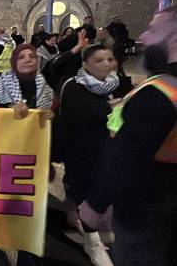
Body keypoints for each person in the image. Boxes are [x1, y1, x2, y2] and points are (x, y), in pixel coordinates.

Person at [78, 7, 177, 266]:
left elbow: (128, 156)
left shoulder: (161, 91)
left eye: (154, 30)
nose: (144, 36)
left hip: (147, 210)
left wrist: (95, 205)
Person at [52, 44, 131, 266]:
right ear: (86, 64)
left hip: (109, 149)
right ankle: (92, 241)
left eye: (110, 59)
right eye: (99, 60)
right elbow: (79, 115)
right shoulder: (73, 86)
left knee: (103, 192)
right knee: (84, 193)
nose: (106, 64)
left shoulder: (119, 84)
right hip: (81, 152)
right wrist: (113, 108)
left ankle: (94, 229)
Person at [0, 44, 54, 110]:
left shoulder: (45, 85)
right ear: (14, 62)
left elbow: (54, 110)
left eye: (32, 56)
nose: (28, 60)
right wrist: (9, 108)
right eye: (21, 57)